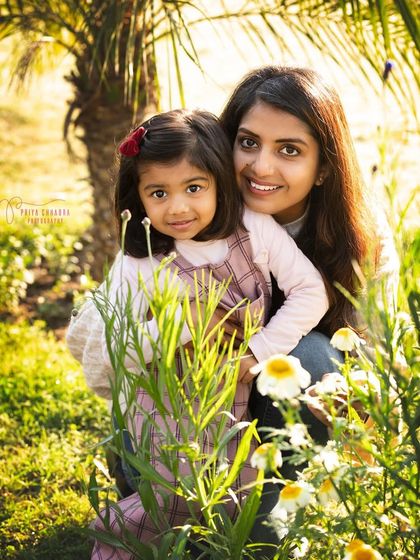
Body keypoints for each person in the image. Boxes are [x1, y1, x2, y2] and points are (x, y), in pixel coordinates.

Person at [67, 108, 329, 559]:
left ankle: (234, 545)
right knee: (173, 491)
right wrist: (182, 325)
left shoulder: (254, 230)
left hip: (234, 388)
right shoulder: (144, 259)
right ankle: (135, 536)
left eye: (194, 188)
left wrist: (257, 353)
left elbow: (311, 291)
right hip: (167, 397)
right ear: (139, 198)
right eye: (158, 192)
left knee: (238, 482)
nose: (178, 207)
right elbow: (118, 343)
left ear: (218, 182)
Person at [219, 65, 399, 547]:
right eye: (248, 142)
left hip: (288, 407)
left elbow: (381, 343)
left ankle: (267, 527)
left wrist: (351, 380)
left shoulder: (360, 233)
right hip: (200, 405)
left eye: (290, 151)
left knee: (315, 356)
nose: (260, 167)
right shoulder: (190, 211)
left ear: (323, 168)